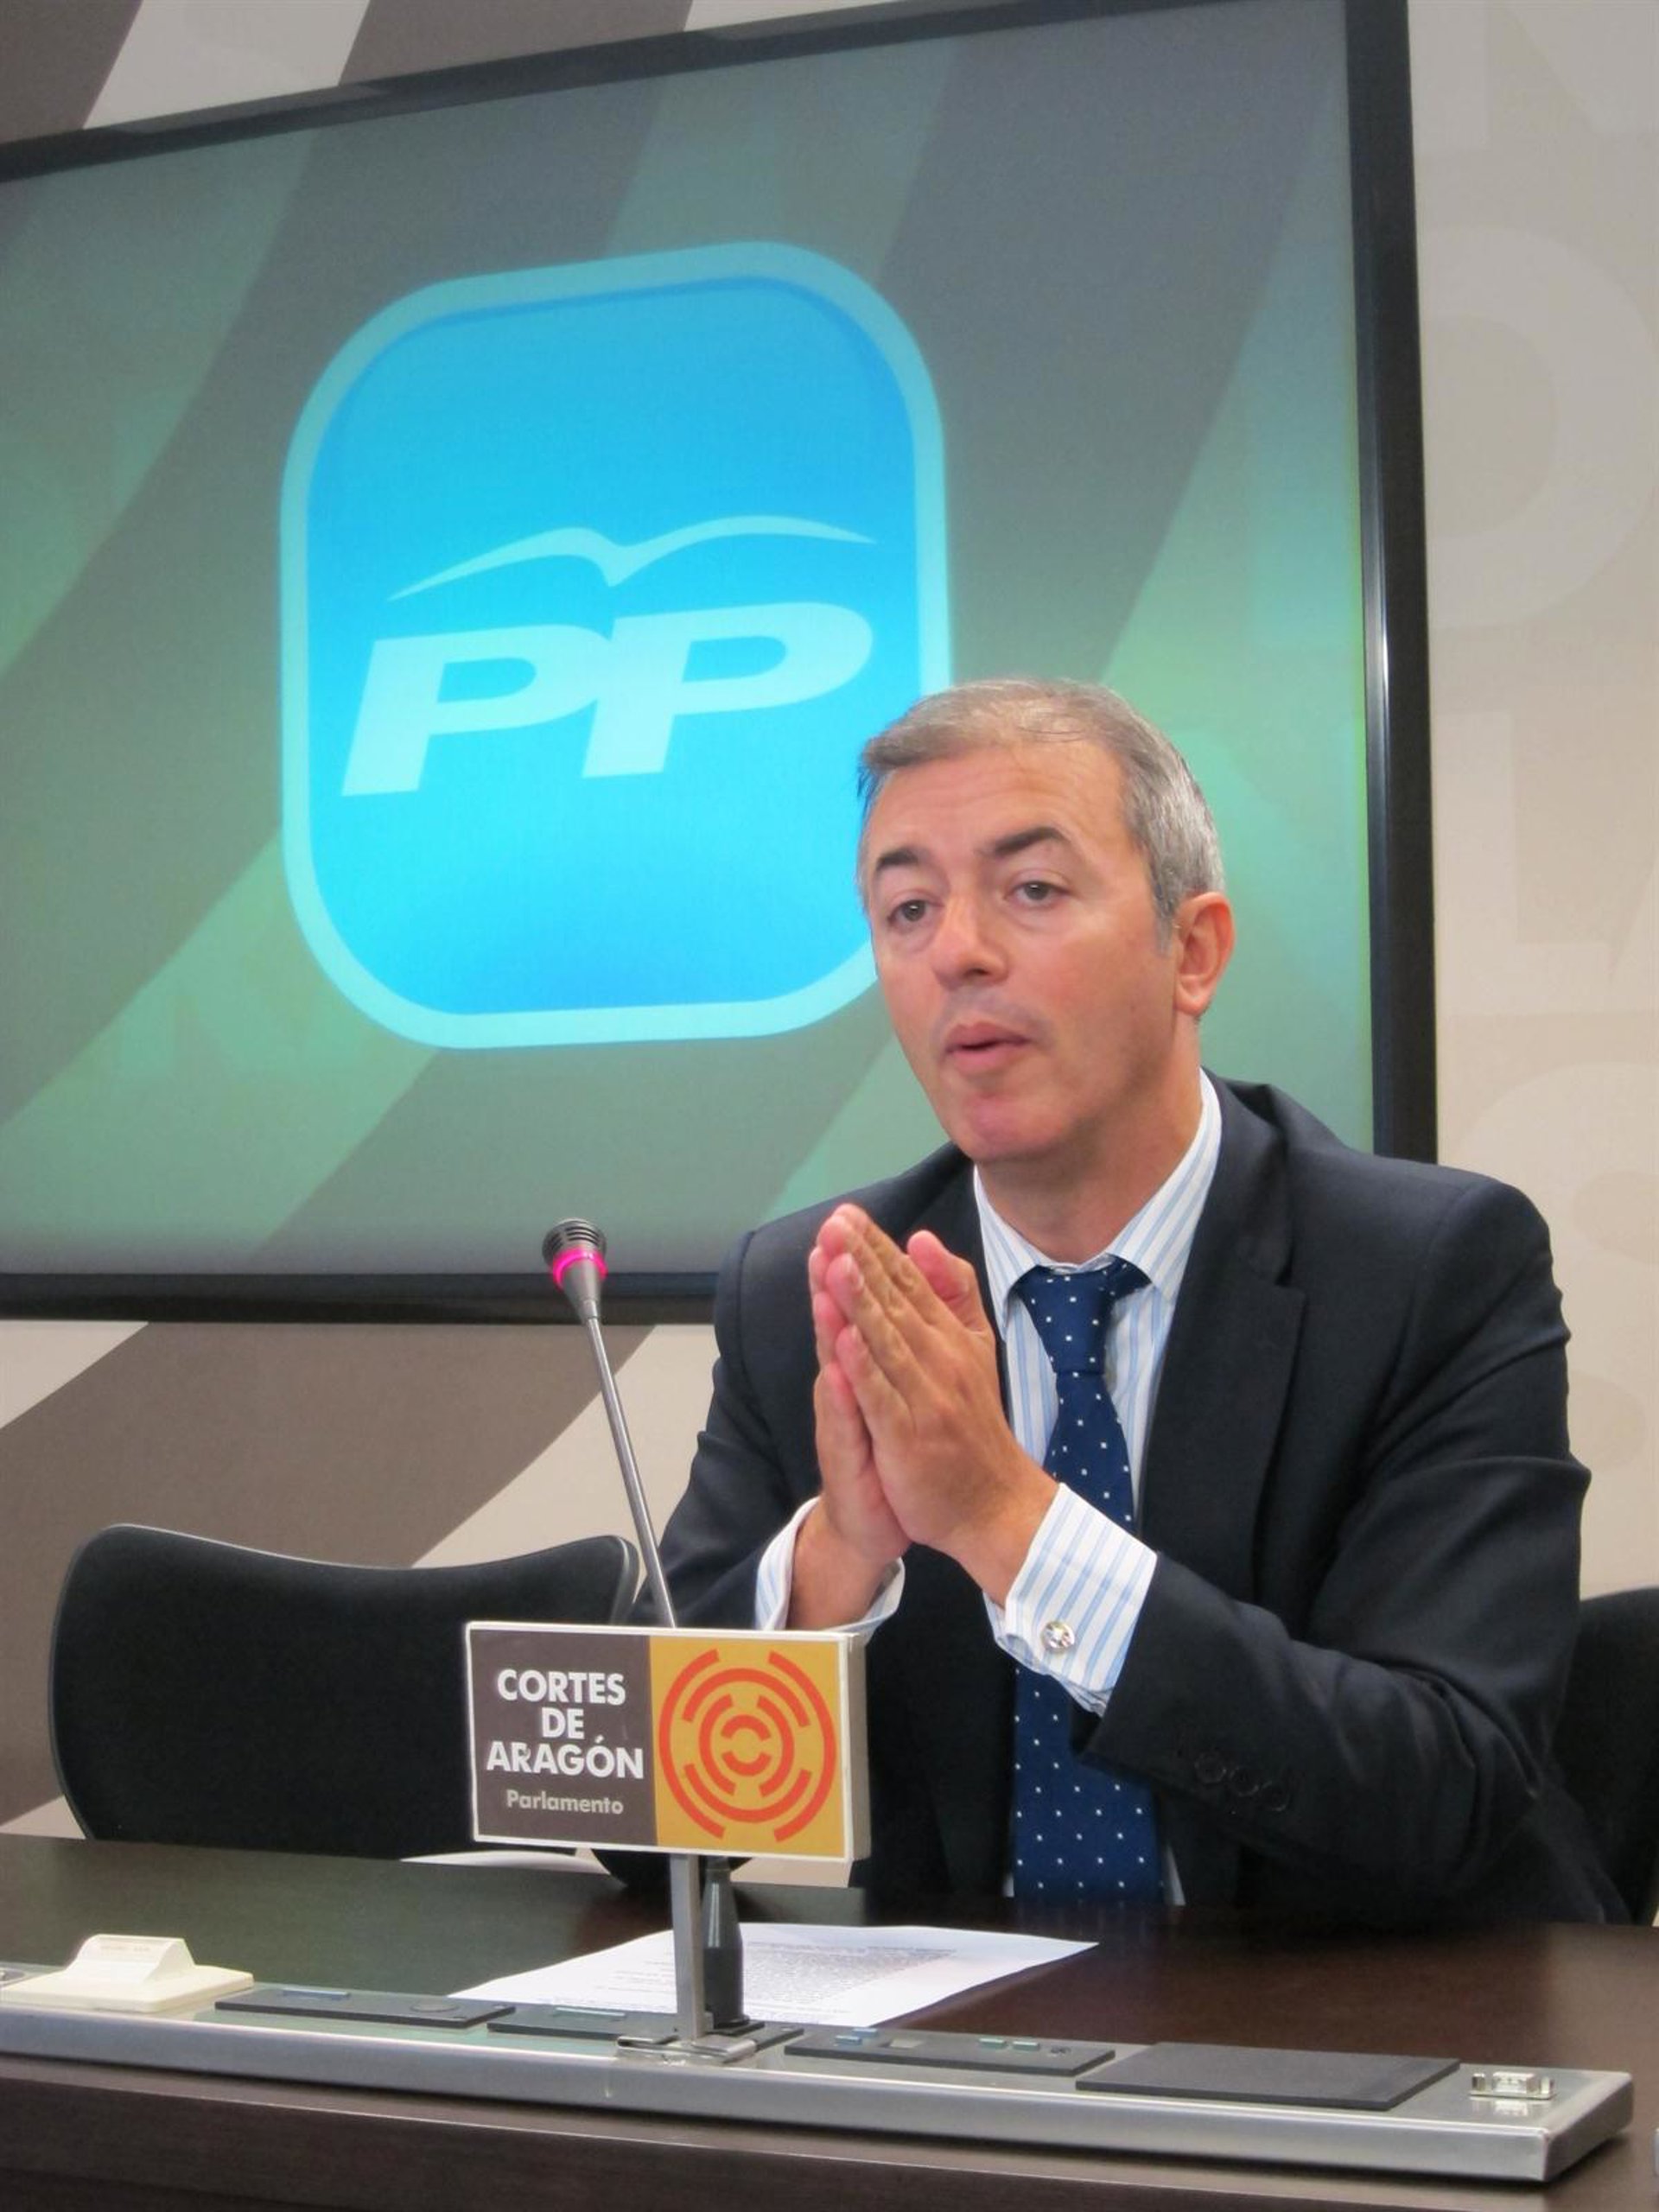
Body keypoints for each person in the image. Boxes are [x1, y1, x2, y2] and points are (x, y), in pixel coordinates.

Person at [655, 677, 1621, 1922]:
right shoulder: (822, 1294)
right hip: (965, 2025)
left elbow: (1440, 1785)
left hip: (1373, 2000)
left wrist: (1009, 1523)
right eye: (908, 909)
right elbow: (634, 1825)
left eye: (1032, 889)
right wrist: (842, 1556)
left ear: (1193, 951)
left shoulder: (1429, 1270)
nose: (957, 952)